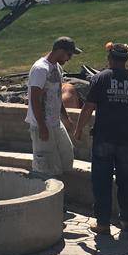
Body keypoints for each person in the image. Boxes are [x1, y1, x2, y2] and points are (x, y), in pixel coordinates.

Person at [74, 42, 128, 235]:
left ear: (109, 57)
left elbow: (88, 107)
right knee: (126, 179)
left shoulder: (100, 79)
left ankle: (103, 223)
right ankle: (126, 220)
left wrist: (79, 129)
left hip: (103, 138)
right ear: (126, 59)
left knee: (101, 180)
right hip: (127, 140)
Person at [26, 37, 80, 176]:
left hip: (55, 123)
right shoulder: (40, 69)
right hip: (42, 125)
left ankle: (61, 189)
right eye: (69, 54)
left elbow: (56, 95)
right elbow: (34, 98)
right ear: (61, 51)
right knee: (45, 165)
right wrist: (42, 126)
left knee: (66, 155)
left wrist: (65, 117)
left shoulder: (57, 67)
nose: (70, 58)